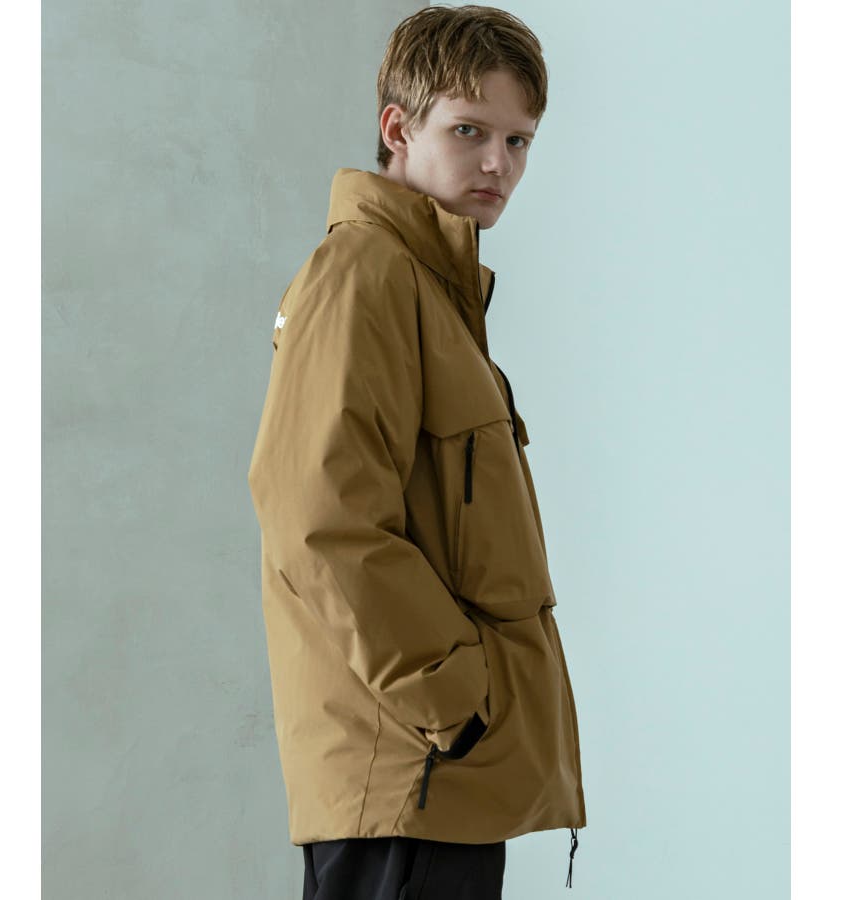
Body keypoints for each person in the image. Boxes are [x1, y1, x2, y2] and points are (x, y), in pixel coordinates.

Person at [247, 5, 586, 898]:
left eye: (518, 141)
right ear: (398, 129)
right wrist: (455, 704)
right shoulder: (365, 274)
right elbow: (319, 518)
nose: (497, 164)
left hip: (445, 778)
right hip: (409, 771)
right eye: (469, 131)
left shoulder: (433, 291)